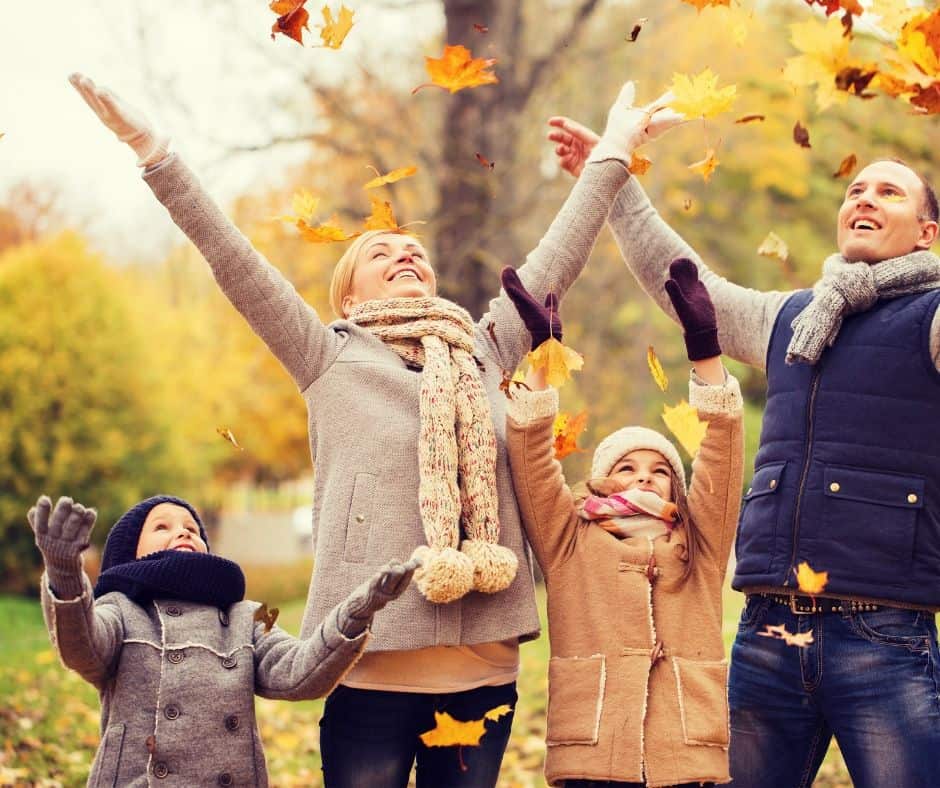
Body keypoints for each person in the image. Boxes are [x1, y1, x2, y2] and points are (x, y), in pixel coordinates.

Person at [68, 72, 684, 786]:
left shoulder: (483, 349)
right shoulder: (326, 355)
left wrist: (613, 148)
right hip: (367, 666)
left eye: (414, 252)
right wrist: (155, 152)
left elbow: (558, 259)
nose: (406, 256)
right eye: (379, 254)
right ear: (348, 294)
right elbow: (232, 258)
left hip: (483, 667)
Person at [547, 108, 940, 787]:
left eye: (889, 192)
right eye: (856, 191)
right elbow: (686, 286)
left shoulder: (931, 317)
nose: (864, 198)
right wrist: (612, 181)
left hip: (885, 638)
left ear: (927, 234)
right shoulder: (791, 317)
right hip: (767, 633)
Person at [500, 258, 744, 787]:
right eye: (627, 468)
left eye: (660, 470)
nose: (645, 477)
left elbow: (722, 454)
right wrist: (545, 357)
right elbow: (531, 456)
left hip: (685, 751)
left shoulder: (698, 543)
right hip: (595, 749)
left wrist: (705, 350)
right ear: (602, 481)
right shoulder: (570, 537)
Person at [30, 493, 416, 787]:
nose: (181, 530)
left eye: (191, 528)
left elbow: (299, 672)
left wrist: (358, 611)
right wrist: (65, 575)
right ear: (127, 554)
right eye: (161, 527)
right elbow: (84, 650)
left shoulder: (251, 612)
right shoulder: (120, 608)